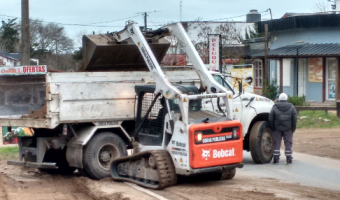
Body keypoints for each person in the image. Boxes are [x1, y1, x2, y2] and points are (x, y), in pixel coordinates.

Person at [268, 93, 297, 164]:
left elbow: (271, 118)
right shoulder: (291, 107)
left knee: (276, 143)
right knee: (288, 142)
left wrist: (272, 128)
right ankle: (288, 158)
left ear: (279, 99)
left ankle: (276, 158)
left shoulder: (275, 107)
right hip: (288, 128)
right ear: (286, 98)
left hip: (277, 128)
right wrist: (293, 128)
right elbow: (294, 118)